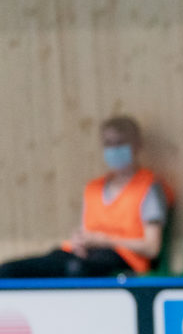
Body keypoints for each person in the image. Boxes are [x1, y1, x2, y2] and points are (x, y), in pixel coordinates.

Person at [0, 115, 169, 278]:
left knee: (75, 269)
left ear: (137, 145)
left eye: (120, 143)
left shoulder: (148, 187)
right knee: (9, 271)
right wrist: (80, 240)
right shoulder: (93, 189)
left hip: (122, 259)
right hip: (81, 254)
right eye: (109, 144)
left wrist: (106, 241)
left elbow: (151, 247)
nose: (114, 150)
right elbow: (86, 231)